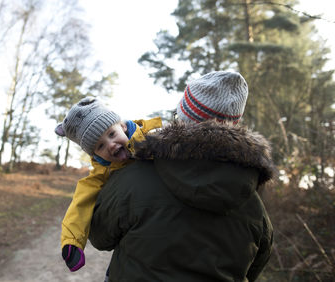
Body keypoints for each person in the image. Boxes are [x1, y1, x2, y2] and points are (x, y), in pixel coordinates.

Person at [89, 71, 277, 281]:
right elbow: (254, 268)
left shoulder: (132, 177)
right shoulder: (254, 205)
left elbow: (99, 237)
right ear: (235, 126)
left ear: (182, 117)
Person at [54, 97, 162, 272]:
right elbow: (80, 203)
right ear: (95, 154)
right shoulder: (102, 171)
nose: (111, 145)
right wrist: (72, 241)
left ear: (123, 126)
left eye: (111, 134)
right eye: (100, 146)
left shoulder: (156, 136)